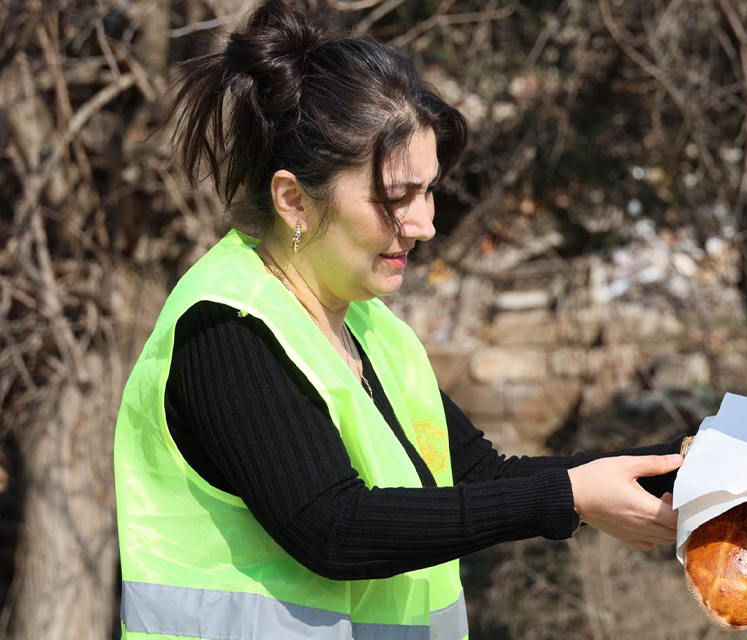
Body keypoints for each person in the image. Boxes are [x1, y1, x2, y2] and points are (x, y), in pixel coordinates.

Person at [113, 2, 686, 638]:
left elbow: (479, 478)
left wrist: (681, 466)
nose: (426, 225)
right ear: (294, 199)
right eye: (395, 198)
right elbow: (333, 527)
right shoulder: (227, 329)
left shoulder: (375, 331)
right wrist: (568, 497)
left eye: (429, 190)